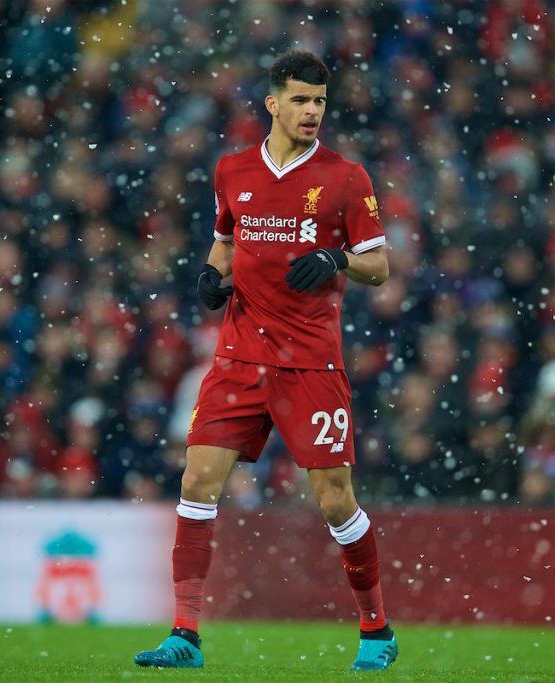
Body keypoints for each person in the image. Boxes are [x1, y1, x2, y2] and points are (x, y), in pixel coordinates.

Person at [134, 51, 397, 671]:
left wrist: (337, 261)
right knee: (197, 482)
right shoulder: (234, 170)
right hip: (240, 355)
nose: (312, 112)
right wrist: (208, 274)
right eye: (301, 100)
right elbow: (226, 240)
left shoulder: (346, 177)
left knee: (335, 500)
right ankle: (185, 636)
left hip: (310, 362)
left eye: (321, 102)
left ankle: (376, 629)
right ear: (273, 104)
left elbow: (380, 268)